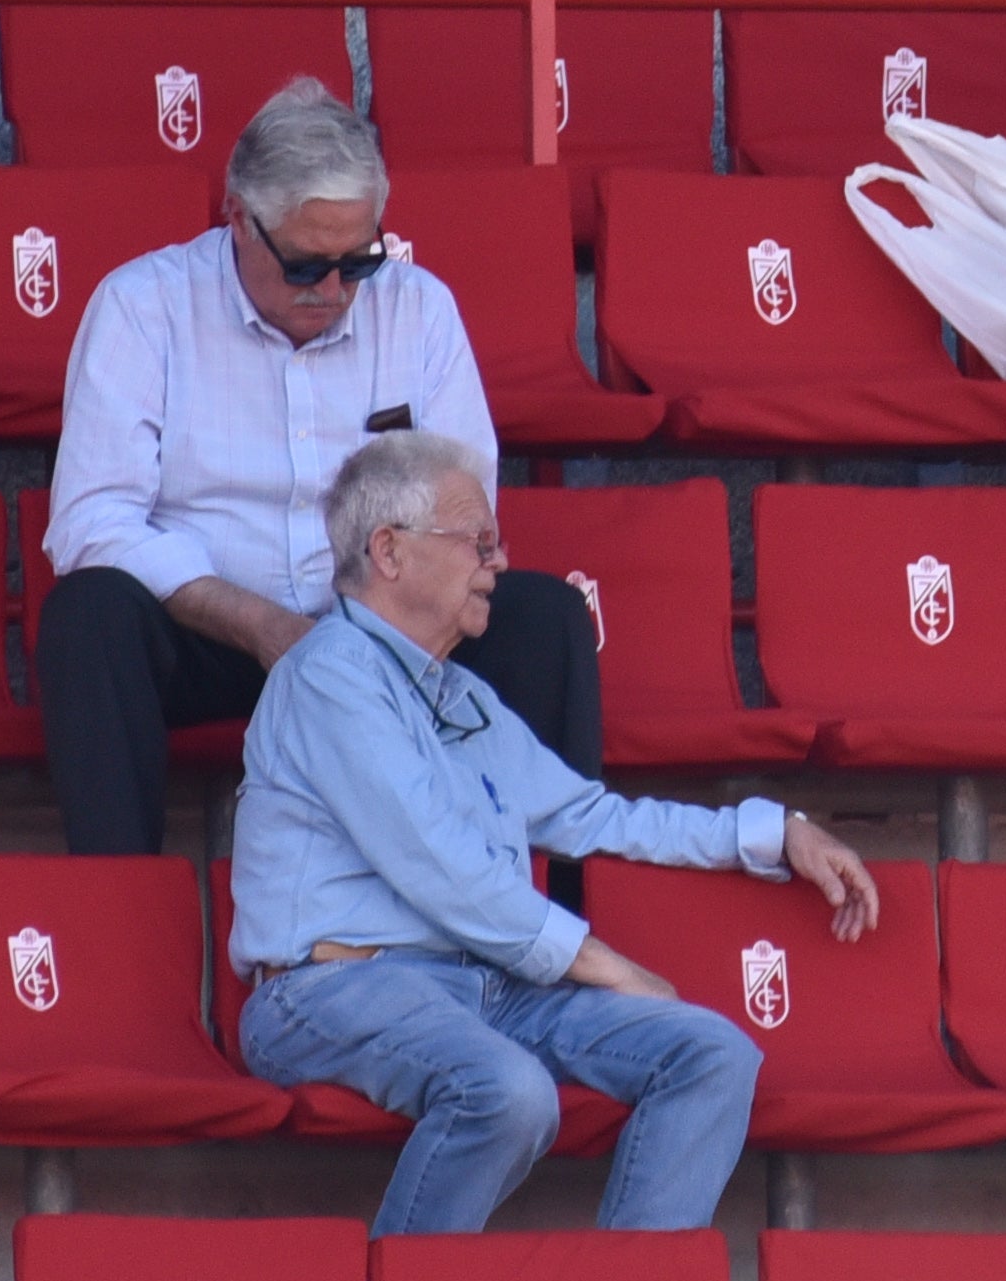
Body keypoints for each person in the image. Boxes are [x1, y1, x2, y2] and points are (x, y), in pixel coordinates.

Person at [230, 431, 880, 1237]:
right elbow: (440, 863)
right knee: (509, 1091)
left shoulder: (461, 694)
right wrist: (600, 963)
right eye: (478, 541)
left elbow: (592, 815)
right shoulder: (328, 674)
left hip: (488, 985)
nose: (496, 562)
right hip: (329, 989)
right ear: (389, 551)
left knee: (713, 1055)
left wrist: (771, 831)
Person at [39, 77, 601, 855]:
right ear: (238, 218)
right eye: (306, 266)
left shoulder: (418, 307)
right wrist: (263, 625)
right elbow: (90, 520)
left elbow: (465, 507)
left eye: (358, 262)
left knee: (545, 622)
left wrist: (371, 628)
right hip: (211, 627)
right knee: (88, 616)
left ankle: (547, 921)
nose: (336, 291)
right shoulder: (144, 306)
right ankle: (118, 908)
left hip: (384, 627)